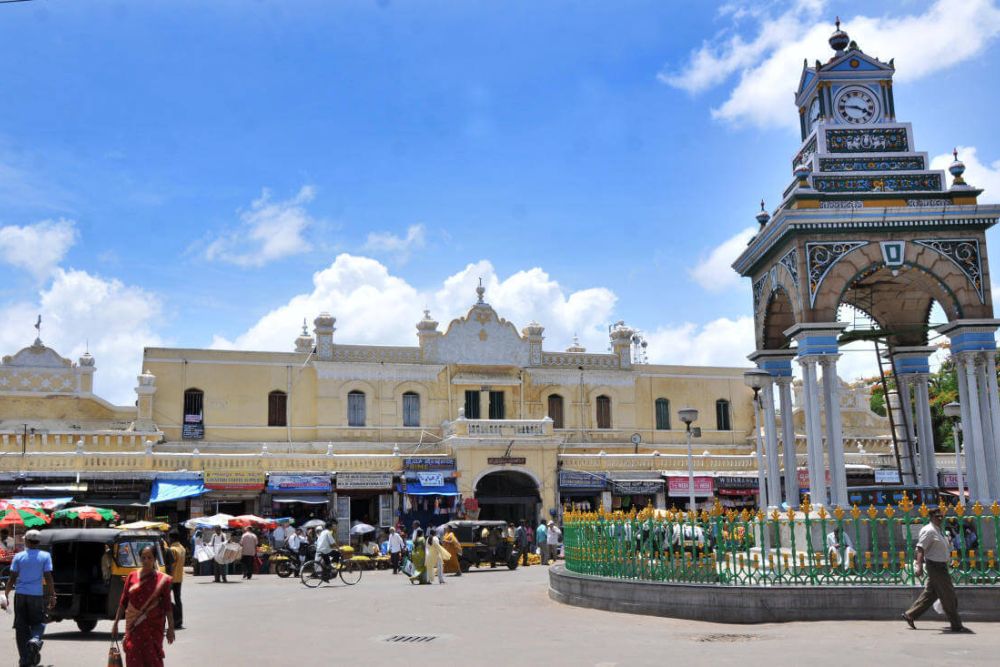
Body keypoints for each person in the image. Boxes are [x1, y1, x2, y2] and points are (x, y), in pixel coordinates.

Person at [902, 508, 972, 633]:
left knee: (931, 594)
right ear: (931, 517)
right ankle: (956, 624)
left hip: (941, 566)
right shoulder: (928, 530)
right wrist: (918, 566)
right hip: (935, 566)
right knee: (948, 595)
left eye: (941, 516)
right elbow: (920, 549)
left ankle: (910, 615)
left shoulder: (938, 530)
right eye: (937, 516)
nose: (940, 518)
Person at [112, 545, 175, 667]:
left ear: (155, 559)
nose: (146, 560)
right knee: (133, 657)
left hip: (153, 628)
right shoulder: (132, 576)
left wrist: (171, 628)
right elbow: (123, 602)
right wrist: (115, 624)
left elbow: (168, 606)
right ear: (139, 558)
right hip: (134, 627)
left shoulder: (163, 580)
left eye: (149, 558)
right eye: (143, 557)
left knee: (153, 660)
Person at [2, 529, 54, 667]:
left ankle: (24, 659)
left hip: (20, 595)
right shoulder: (45, 556)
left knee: (21, 627)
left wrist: (6, 594)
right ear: (38, 542)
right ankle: (35, 639)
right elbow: (48, 577)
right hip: (36, 595)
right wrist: (52, 595)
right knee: (39, 622)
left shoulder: (19, 557)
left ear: (26, 541)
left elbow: (12, 577)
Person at [167, 531, 186, 629]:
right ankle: (179, 620)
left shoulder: (172, 550)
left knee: (166, 599)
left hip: (172, 578)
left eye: (169, 538)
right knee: (178, 599)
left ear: (172, 539)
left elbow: (171, 566)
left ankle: (175, 619)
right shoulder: (182, 548)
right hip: (179, 578)